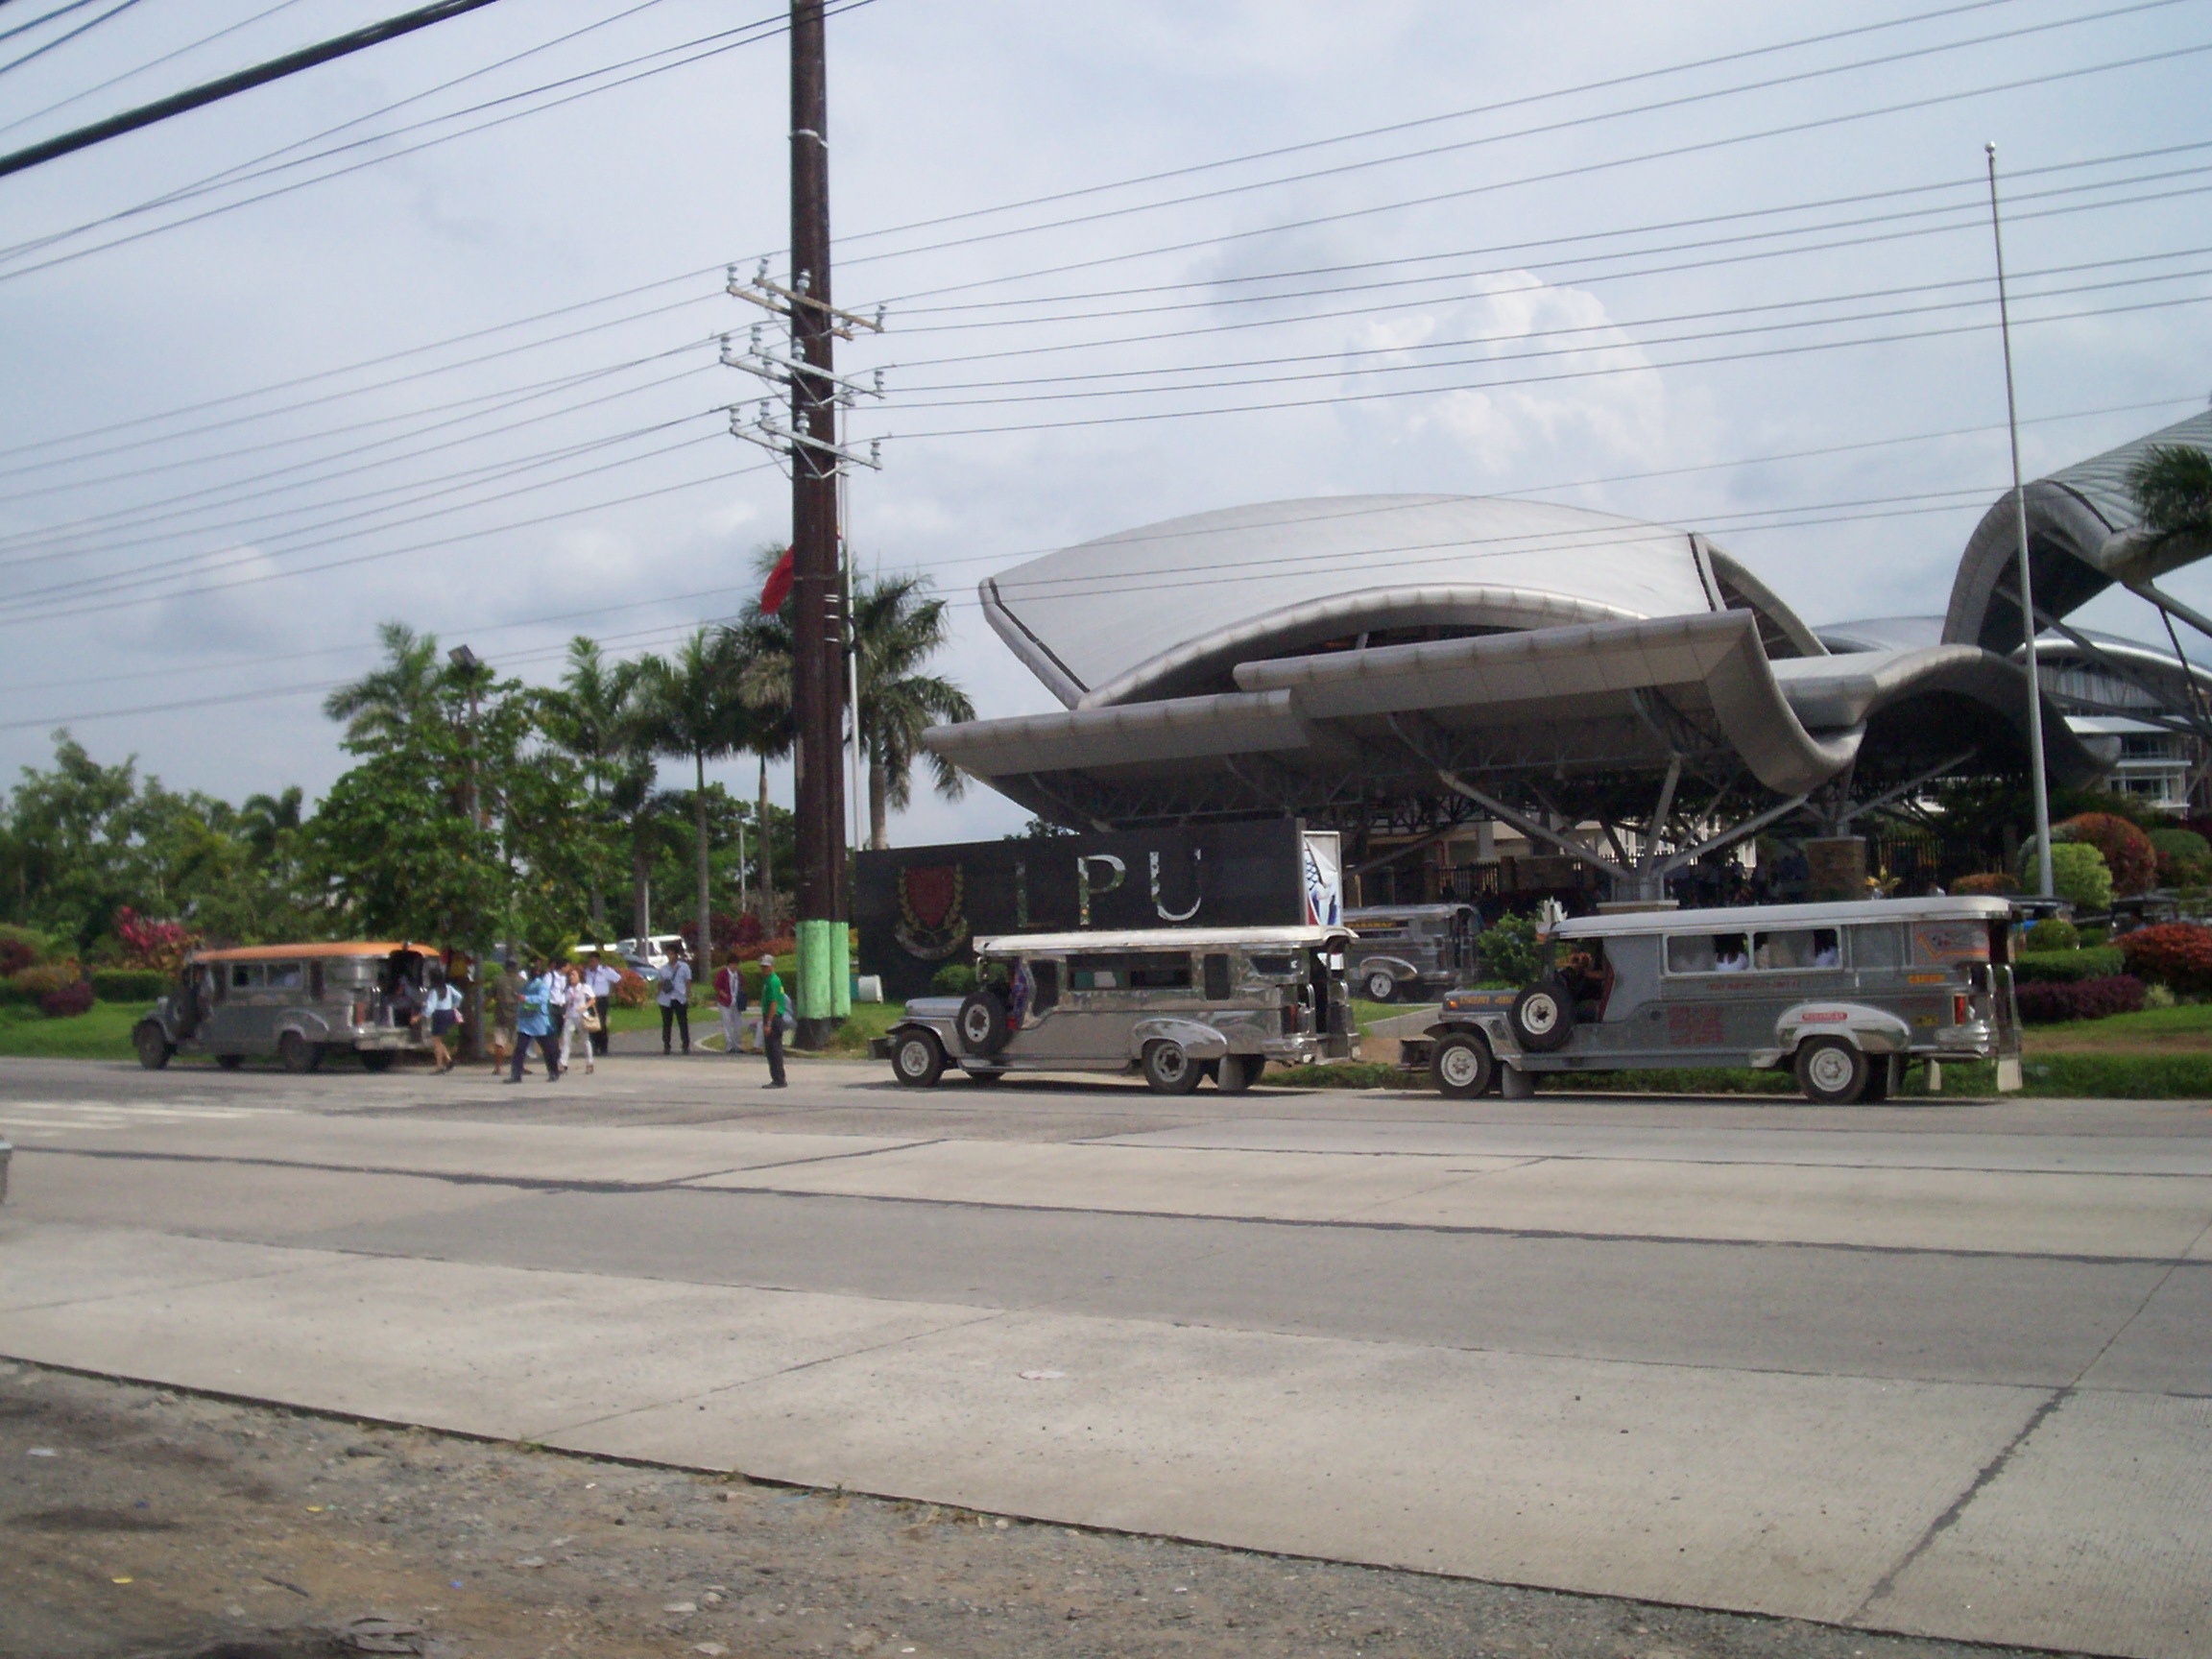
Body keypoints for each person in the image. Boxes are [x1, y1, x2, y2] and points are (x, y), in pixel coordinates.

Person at [507, 958, 559, 1083]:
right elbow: (520, 1002)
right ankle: (516, 1075)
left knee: (547, 1049)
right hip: (525, 1022)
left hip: (539, 1021)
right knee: (520, 1049)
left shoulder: (542, 986)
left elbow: (542, 999)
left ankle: (553, 1072)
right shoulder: (525, 986)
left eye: (535, 971)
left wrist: (526, 999)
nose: (532, 973)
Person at [558, 962, 597, 1076]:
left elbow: (592, 999)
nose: (571, 978)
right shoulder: (568, 989)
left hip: (581, 1016)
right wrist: (565, 1013)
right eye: (570, 975)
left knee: (585, 1040)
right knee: (566, 1040)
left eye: (574, 975)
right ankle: (563, 1063)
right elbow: (566, 1003)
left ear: (579, 976)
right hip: (570, 1016)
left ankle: (590, 1063)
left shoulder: (584, 987)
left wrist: (584, 1007)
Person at [422, 970, 465, 1074]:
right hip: (449, 1013)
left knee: (436, 1041)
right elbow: (459, 996)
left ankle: (439, 1066)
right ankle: (449, 1060)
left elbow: (430, 1007)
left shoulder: (434, 991)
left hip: (439, 1015)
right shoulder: (448, 987)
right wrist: (454, 1005)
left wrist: (422, 1015)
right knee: (438, 1040)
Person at [757, 951, 787, 1088]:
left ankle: (779, 1079)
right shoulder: (768, 980)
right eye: (762, 966)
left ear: (772, 967)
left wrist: (768, 1023)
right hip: (770, 1016)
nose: (763, 969)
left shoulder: (773, 981)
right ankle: (776, 1077)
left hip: (773, 1018)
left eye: (766, 967)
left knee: (774, 1049)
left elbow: (774, 1004)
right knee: (770, 1049)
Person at [659, 941, 693, 1055]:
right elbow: (661, 983)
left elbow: (687, 981)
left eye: (672, 953)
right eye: (668, 954)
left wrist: (688, 994)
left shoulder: (684, 967)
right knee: (666, 1024)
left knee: (682, 1023)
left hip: (680, 997)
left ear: (676, 955)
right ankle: (667, 1045)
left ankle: (685, 1045)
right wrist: (657, 994)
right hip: (666, 998)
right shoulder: (663, 968)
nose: (670, 956)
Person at [585, 954, 622, 1057]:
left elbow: (618, 979)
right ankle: (594, 1047)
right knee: (591, 1023)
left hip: (601, 999)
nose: (591, 964)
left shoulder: (605, 970)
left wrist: (611, 991)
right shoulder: (587, 971)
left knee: (601, 1023)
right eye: (590, 961)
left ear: (597, 961)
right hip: (590, 999)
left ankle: (603, 1047)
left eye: (593, 961)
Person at [713, 950, 747, 1056]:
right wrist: (724, 995)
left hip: (736, 1002)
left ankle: (737, 1045)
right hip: (725, 1002)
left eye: (736, 964)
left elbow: (742, 986)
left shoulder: (739, 975)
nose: (735, 967)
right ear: (729, 964)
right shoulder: (723, 973)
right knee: (727, 1023)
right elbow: (717, 986)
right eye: (733, 964)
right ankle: (729, 1046)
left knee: (738, 1025)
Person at [487, 962, 517, 1077]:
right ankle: (519, 1066)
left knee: (500, 1043)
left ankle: (498, 1067)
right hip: (517, 1017)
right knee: (518, 1043)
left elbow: (490, 996)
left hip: (501, 1016)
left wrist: (483, 1006)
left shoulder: (497, 980)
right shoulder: (522, 981)